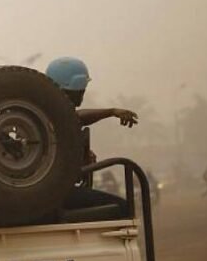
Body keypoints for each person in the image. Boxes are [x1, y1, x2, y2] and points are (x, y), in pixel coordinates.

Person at [45, 57, 138, 213]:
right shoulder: (51, 113)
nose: (83, 95)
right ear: (74, 88)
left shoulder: (40, 112)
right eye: (82, 90)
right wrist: (112, 112)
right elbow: (76, 117)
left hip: (49, 193)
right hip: (55, 193)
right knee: (122, 208)